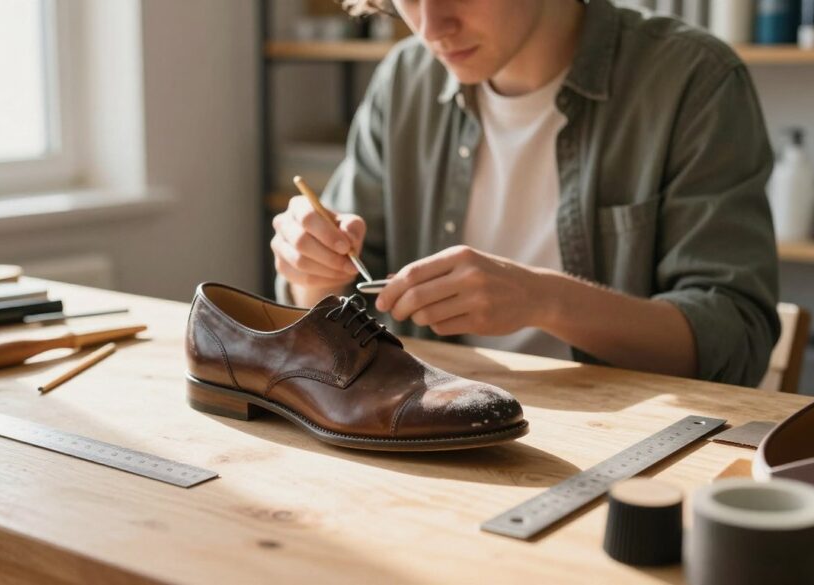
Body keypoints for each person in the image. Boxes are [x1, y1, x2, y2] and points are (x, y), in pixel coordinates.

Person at [271, 0, 780, 387]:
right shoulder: (405, 81)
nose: (429, 27)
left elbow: (735, 342)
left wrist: (545, 299)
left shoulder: (692, 80)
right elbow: (333, 307)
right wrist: (310, 274)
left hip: (630, 449)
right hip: (431, 431)